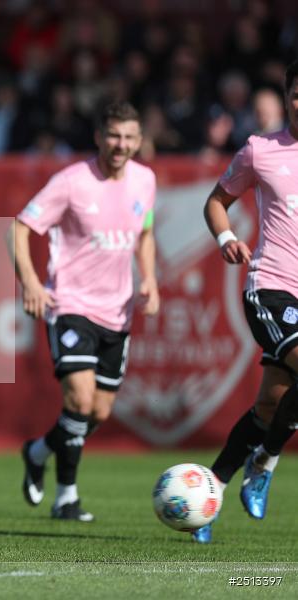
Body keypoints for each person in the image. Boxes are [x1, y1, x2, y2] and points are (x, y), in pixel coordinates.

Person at [11, 101, 159, 522]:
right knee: (78, 397)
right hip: (71, 305)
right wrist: (32, 282)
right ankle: (67, 498)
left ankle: (38, 452)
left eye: (130, 137)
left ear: (139, 140)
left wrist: (148, 277)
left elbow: (145, 232)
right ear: (99, 136)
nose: (121, 144)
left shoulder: (145, 180)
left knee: (98, 411)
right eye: (114, 135)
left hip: (119, 311)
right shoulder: (72, 182)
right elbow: (19, 228)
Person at [193, 59, 298, 544]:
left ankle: (208, 493)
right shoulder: (261, 150)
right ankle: (266, 462)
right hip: (271, 286)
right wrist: (226, 238)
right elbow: (216, 200)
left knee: (271, 405)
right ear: (287, 96)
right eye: (297, 93)